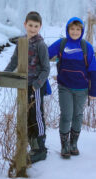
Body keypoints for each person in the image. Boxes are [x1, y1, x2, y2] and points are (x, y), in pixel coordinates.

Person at [4, 11, 50, 164]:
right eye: (30, 25)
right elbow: (14, 60)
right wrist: (5, 75)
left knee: (36, 115)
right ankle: (32, 145)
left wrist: (37, 85)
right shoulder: (21, 41)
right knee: (25, 114)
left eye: (36, 26)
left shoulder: (41, 45)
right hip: (22, 84)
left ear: (40, 27)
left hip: (35, 86)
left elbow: (46, 69)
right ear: (25, 24)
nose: (32, 28)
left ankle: (41, 148)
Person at [48, 17, 96, 158]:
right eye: (72, 29)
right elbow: (45, 54)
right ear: (67, 29)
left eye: (78, 29)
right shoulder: (62, 43)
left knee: (77, 115)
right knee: (66, 115)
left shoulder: (86, 46)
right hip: (65, 87)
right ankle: (64, 146)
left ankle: (73, 143)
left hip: (82, 88)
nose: (75, 32)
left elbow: (93, 69)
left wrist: (93, 91)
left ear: (81, 31)